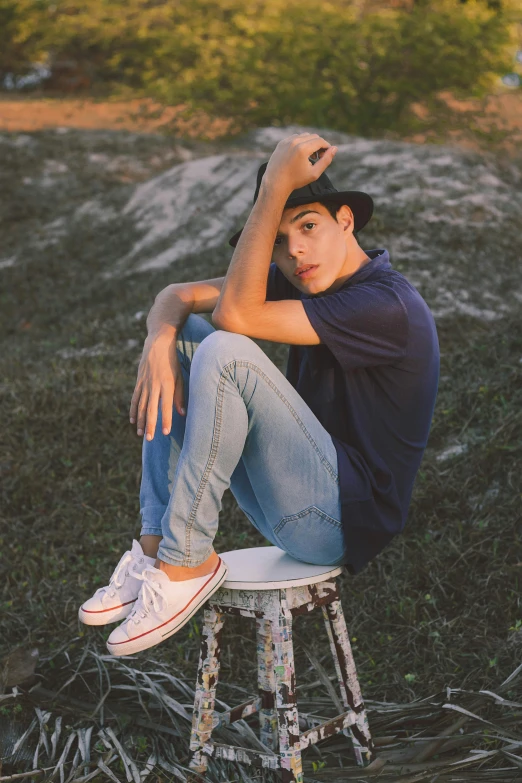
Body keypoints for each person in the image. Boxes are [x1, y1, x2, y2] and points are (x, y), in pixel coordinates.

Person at [78, 132, 440, 656]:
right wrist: (160, 341)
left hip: (338, 522)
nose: (293, 251)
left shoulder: (388, 306)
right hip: (290, 496)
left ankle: (188, 559)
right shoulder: (304, 280)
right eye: (278, 237)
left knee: (225, 350)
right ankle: (156, 549)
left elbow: (234, 318)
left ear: (346, 221)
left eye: (308, 226)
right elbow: (176, 296)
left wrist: (274, 187)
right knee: (184, 339)